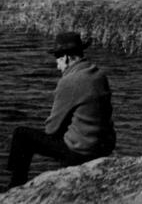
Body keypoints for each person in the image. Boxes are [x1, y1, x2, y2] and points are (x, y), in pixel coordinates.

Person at [7, 31, 116, 188]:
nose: (57, 65)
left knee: (21, 135)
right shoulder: (99, 75)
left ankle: (15, 187)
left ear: (66, 57)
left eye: (57, 59)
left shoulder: (69, 81)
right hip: (103, 148)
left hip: (81, 153)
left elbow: (51, 129)